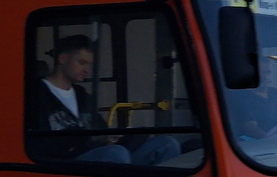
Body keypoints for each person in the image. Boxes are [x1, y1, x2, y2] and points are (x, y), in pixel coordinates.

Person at [31, 35, 180, 166]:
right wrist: (89, 139)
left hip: (99, 155)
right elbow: (38, 144)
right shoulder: (36, 95)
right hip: (64, 164)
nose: (86, 70)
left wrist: (112, 136)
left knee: (166, 144)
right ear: (62, 58)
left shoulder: (82, 95)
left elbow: (99, 128)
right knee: (115, 154)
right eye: (82, 62)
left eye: (89, 65)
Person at [232, 56, 277, 139]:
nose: (265, 77)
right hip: (259, 148)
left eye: (268, 72)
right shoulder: (243, 96)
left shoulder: (275, 93)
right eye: (261, 73)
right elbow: (250, 127)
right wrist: (270, 140)